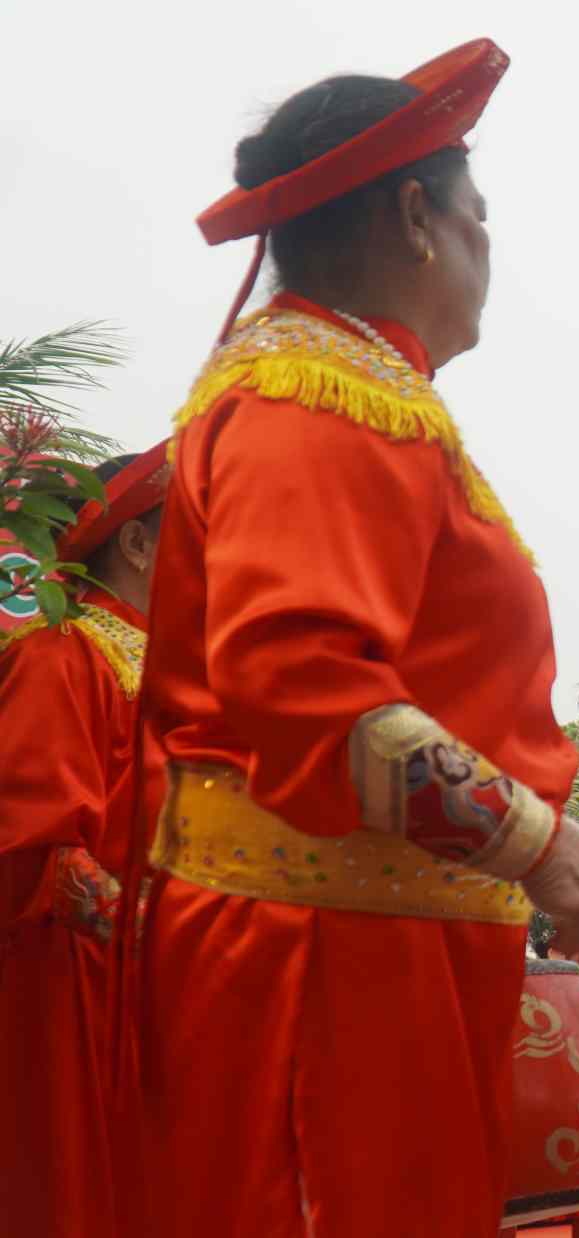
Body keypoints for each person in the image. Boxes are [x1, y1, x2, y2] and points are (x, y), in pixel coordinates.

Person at [129, 42, 579, 1238]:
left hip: (382, 956)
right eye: (481, 215)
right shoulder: (314, 398)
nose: (489, 247)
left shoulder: (366, 395)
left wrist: (561, 834)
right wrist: (544, 849)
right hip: (316, 972)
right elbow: (310, 688)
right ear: (418, 216)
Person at [0, 447, 167, 1238]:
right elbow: (38, 850)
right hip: (78, 994)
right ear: (135, 543)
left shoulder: (180, 674)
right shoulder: (62, 655)